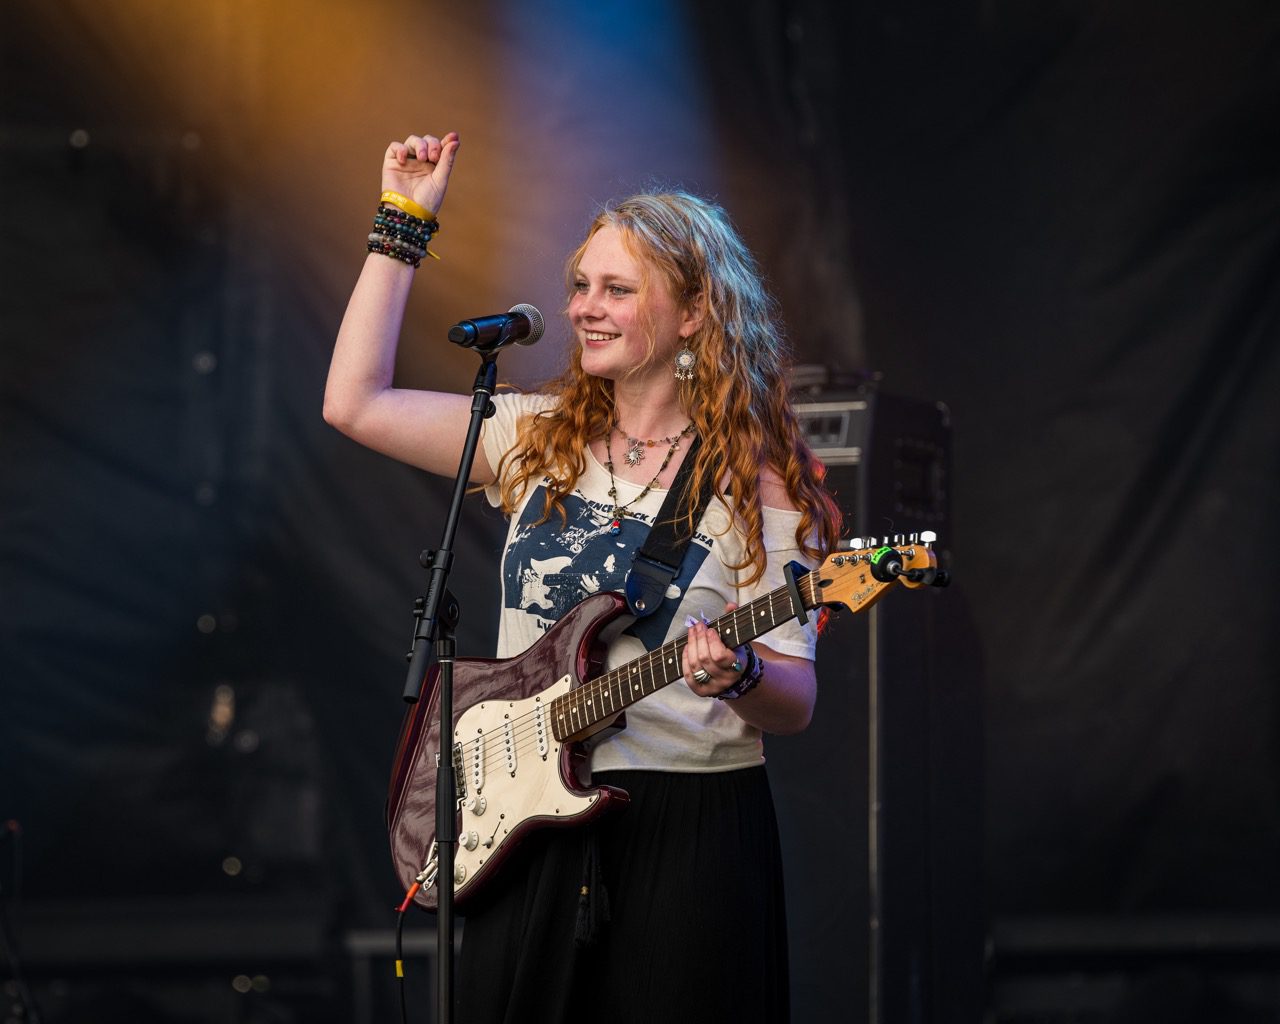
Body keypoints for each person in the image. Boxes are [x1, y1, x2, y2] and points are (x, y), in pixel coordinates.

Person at [324, 131, 841, 1023]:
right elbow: (353, 402)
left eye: (616, 289)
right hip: (526, 816)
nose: (582, 308)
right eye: (580, 285)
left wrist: (741, 674)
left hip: (687, 829)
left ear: (691, 314)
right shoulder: (533, 435)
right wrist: (402, 221)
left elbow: (794, 698)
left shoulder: (760, 485)